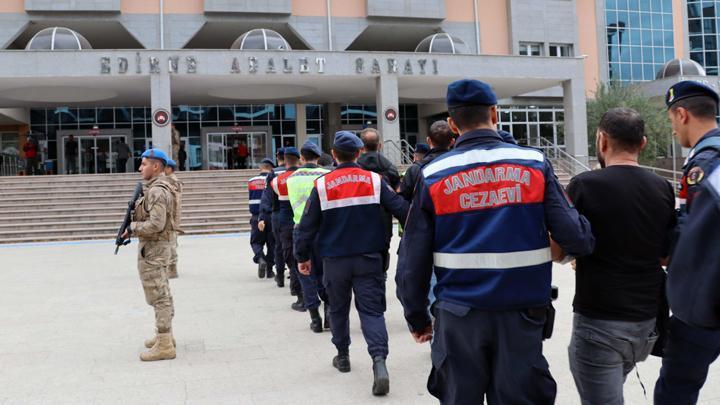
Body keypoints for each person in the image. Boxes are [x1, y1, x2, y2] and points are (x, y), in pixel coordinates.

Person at [396, 79, 595, 404]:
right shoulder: (534, 164)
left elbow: (412, 258)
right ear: (494, 113)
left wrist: (417, 317)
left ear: (452, 123)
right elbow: (576, 236)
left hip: (459, 319)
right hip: (522, 314)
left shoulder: (433, 174)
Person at [564, 108, 676, 405]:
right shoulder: (663, 188)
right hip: (647, 325)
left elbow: (562, 247)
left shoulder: (584, 185)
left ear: (601, 141)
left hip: (600, 325)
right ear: (643, 143)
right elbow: (664, 256)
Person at [294, 131, 409, 396]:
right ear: (359, 153)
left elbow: (307, 227)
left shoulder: (322, 185)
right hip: (369, 259)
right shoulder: (375, 180)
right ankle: (379, 361)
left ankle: (343, 356)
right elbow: (403, 210)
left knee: (337, 308)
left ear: (333, 155)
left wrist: (302, 258)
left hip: (334, 261)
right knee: (371, 312)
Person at [654, 81, 720, 404]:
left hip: (702, 307)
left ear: (681, 114)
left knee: (674, 391)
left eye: (671, 120)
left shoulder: (704, 163)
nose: (673, 129)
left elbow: (692, 234)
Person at [120, 148, 178, 361]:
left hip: (154, 251)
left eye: (144, 164)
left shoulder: (157, 190)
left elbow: (156, 224)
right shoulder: (160, 186)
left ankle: (164, 344)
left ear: (156, 166)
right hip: (156, 250)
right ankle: (165, 336)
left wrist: (133, 227)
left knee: (159, 296)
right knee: (162, 292)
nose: (140, 168)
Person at [287, 141, 331, 332]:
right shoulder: (327, 176)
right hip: (325, 230)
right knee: (326, 274)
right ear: (318, 158)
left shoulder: (290, 178)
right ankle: (329, 313)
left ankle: (314, 318)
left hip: (300, 230)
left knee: (305, 274)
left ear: (302, 158)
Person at [357, 128, 401, 272]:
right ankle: (381, 279)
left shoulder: (356, 167)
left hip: (360, 217)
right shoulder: (389, 167)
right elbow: (397, 194)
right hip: (383, 219)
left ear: (361, 147)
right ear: (380, 145)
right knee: (382, 253)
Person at [268, 147, 304, 310]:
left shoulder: (276, 180)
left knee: (291, 258)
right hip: (304, 220)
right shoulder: (305, 177)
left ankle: (298, 293)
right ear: (299, 160)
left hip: (285, 222)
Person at [399, 121, 455, 202]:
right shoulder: (462, 165)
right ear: (452, 142)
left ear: (428, 140)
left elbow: (403, 200)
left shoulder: (415, 169)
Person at [259, 148, 287, 289]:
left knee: (278, 246)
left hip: (276, 213)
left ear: (278, 157)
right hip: (295, 214)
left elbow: (267, 197)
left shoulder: (273, 174)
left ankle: (280, 276)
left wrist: (262, 217)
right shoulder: (296, 172)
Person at [249, 158, 276, 280]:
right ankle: (270, 270)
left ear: (261, 167)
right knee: (272, 244)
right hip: (270, 216)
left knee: (256, 241)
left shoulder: (252, 181)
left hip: (256, 217)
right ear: (271, 168)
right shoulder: (273, 180)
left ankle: (260, 258)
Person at [163, 159, 183, 279]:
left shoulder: (172, 181)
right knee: (170, 242)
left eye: (164, 167)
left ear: (169, 168)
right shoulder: (170, 181)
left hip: (171, 217)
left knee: (170, 243)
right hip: (170, 217)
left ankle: (172, 269)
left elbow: (174, 202)